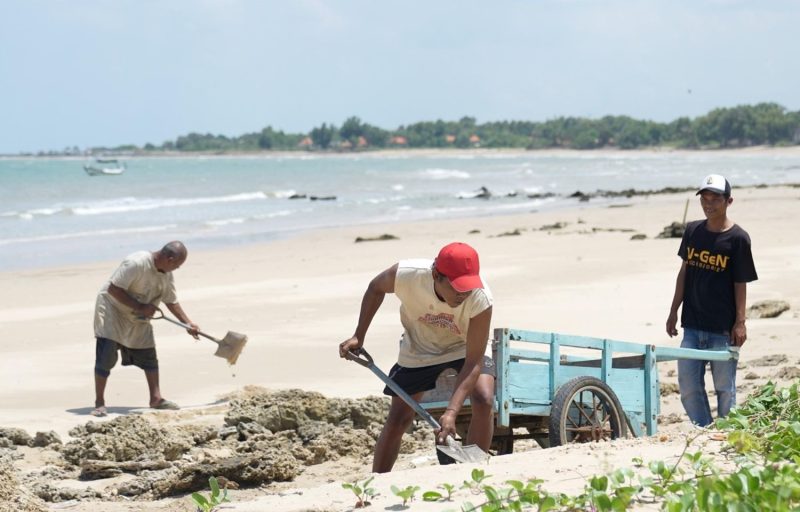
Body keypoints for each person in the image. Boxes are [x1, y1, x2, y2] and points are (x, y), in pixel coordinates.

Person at [338, 242, 494, 473]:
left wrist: (451, 413)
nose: (464, 294)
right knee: (399, 416)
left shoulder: (480, 299)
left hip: (463, 346)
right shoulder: (408, 275)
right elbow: (375, 288)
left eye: (468, 287)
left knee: (484, 398)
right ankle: (377, 480)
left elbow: (473, 362)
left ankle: (476, 470)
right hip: (420, 348)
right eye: (457, 287)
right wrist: (358, 336)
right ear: (436, 275)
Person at [666, 174, 758, 427]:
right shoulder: (693, 230)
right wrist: (674, 310)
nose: (708, 204)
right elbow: (684, 271)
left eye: (715, 199)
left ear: (729, 201)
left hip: (722, 329)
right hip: (692, 325)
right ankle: (705, 430)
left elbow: (741, 282)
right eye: (704, 199)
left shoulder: (738, 239)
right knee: (687, 385)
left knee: (724, 389)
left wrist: (740, 322)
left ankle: (727, 431)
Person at [92, 241, 199, 417]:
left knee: (148, 353)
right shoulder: (136, 263)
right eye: (177, 265)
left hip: (138, 313)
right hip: (112, 309)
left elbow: (170, 300)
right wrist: (140, 307)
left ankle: (156, 399)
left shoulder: (165, 273)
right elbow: (113, 289)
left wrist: (188, 323)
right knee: (106, 354)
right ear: (169, 259)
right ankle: (99, 403)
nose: (176, 269)